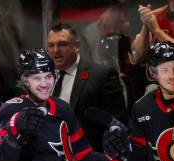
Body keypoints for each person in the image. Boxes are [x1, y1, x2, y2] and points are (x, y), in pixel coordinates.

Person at [0, 48, 147, 161]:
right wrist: (15, 132)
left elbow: (83, 160)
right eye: (37, 78)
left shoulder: (62, 109)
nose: (44, 84)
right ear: (25, 80)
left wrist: (112, 159)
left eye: (48, 76)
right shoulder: (13, 108)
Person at [47, 23, 128, 154]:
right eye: (51, 45)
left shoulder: (102, 75)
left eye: (62, 44)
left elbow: (118, 122)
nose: (55, 50)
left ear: (77, 46)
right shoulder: (43, 78)